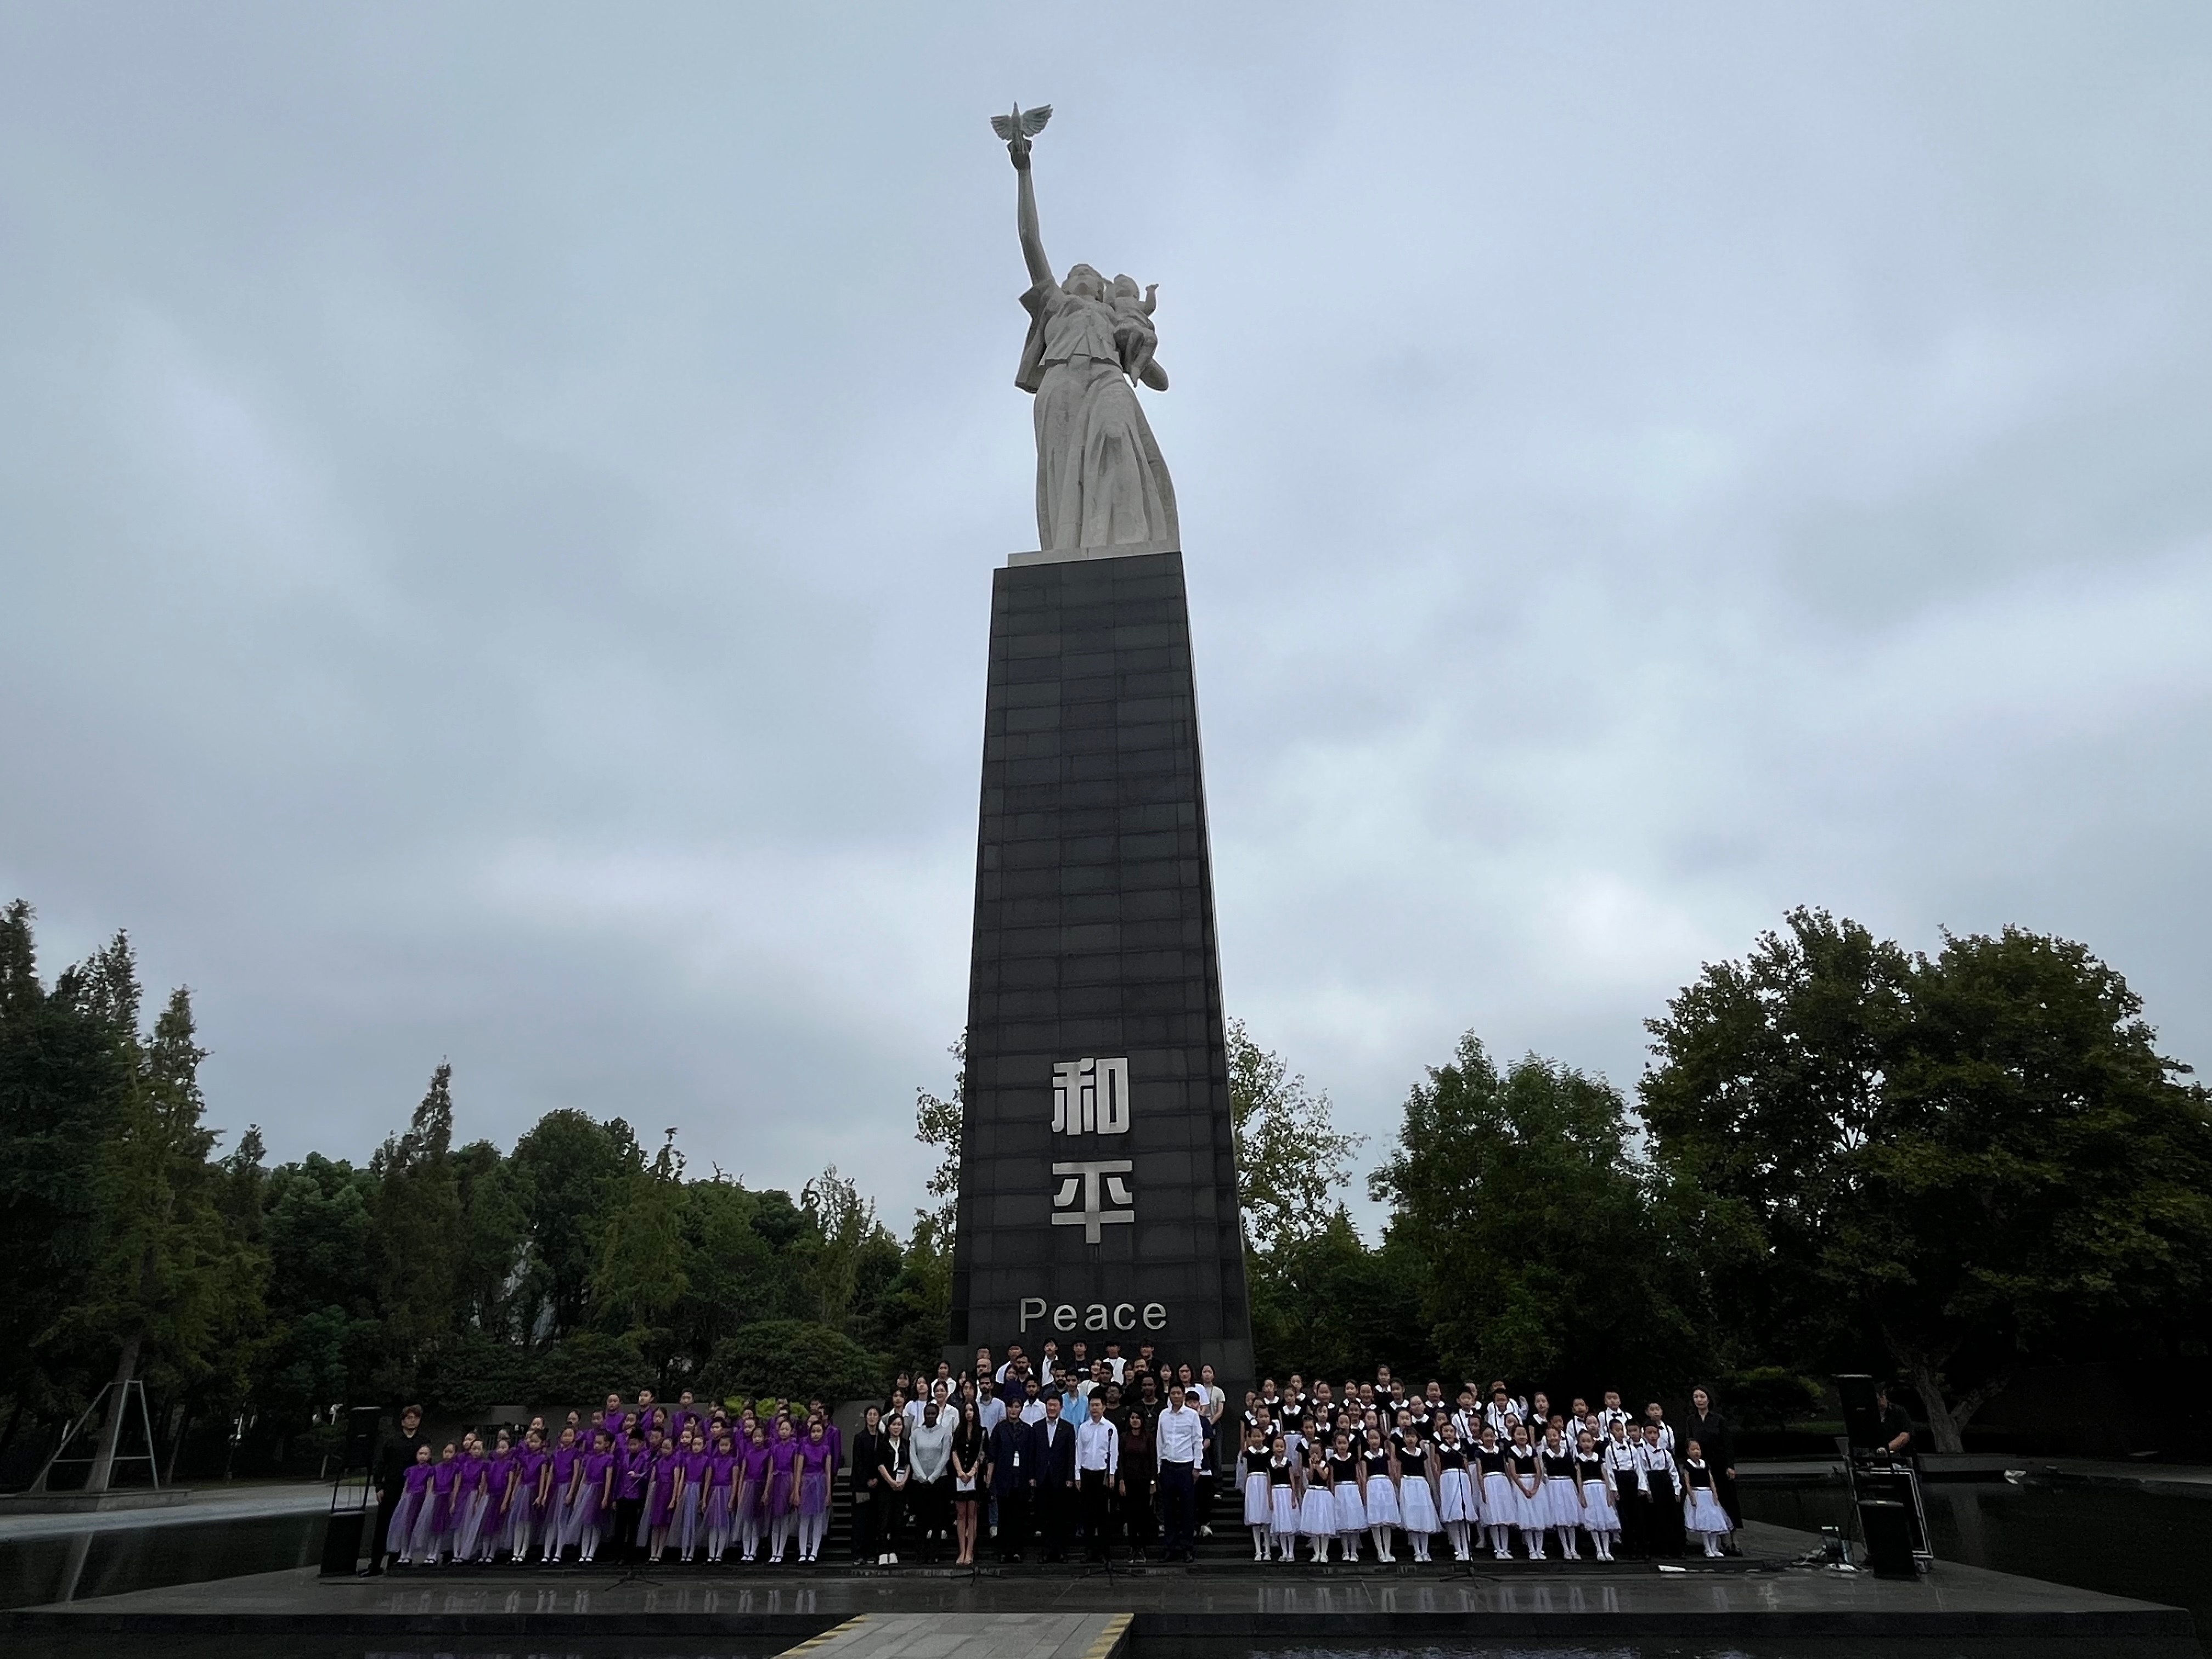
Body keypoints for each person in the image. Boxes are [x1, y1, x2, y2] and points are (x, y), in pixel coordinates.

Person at [369, 1406, 428, 1573]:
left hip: (412, 1489)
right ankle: (375, 1564)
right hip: (392, 1487)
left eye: (415, 1418)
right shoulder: (392, 1441)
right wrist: (379, 1486)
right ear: (403, 1421)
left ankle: (395, 1562)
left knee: (404, 1525)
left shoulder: (423, 1442)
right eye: (409, 1418)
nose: (412, 1421)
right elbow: (380, 1464)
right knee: (383, 1525)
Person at [1686, 1385, 1741, 1551]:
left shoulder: (1718, 1419)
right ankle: (1721, 1540)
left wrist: (1730, 1466)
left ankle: (1735, 1540)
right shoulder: (1691, 1420)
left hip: (1719, 1464)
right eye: (1696, 1397)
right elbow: (1689, 1443)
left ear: (1708, 1399)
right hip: (1701, 1467)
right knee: (1711, 1503)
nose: (1699, 1400)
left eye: (1702, 1397)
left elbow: (1727, 1444)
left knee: (1727, 1500)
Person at [1155, 1382, 1204, 1562]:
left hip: (1186, 1466)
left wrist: (1197, 1466)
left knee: (1187, 1509)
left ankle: (1187, 1548)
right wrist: (1159, 1466)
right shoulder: (1164, 1415)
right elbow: (1160, 1441)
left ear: (1184, 1395)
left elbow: (1197, 1441)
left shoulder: (1192, 1415)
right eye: (1173, 1393)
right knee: (1168, 1509)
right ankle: (1170, 1547)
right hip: (1168, 1465)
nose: (1176, 1396)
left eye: (1179, 1393)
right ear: (1170, 1396)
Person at [985, 1395, 1034, 1562]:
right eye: (1011, 1407)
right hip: (1003, 1478)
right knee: (1004, 1517)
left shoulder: (1027, 1430)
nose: (1014, 1410)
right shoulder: (999, 1429)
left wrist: (1031, 1477)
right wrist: (989, 1478)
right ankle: (1003, 1551)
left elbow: (1031, 1455)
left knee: (1019, 1517)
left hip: (1021, 1479)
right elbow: (992, 1455)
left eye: (1017, 1407)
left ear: (1021, 1409)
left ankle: (1017, 1551)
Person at [1031, 1392, 1078, 1562]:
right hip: (1042, 1477)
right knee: (1044, 1517)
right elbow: (1032, 1453)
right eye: (1049, 1405)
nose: (1052, 1408)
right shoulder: (1037, 1427)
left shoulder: (1068, 1428)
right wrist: (1032, 1476)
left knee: (1060, 1516)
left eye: (1055, 1405)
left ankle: (1060, 1551)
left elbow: (1071, 1455)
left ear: (1061, 1407)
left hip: (1061, 1479)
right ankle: (1046, 1551)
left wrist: (1070, 1477)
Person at [1075, 1392, 1120, 1562]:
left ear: (1104, 1407)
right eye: (1092, 1406)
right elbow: (1079, 1452)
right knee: (1087, 1515)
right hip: (1087, 1473)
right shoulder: (1083, 1428)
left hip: (1103, 1474)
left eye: (1097, 1405)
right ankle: (1089, 1551)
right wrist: (1077, 1475)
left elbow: (1113, 1453)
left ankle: (1103, 1551)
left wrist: (1112, 1474)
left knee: (1102, 1516)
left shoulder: (1110, 1428)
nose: (1094, 1409)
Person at [910, 1399, 954, 1563]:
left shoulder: (944, 1433)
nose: (930, 1416)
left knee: (937, 1520)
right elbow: (913, 1455)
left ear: (937, 1415)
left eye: (933, 1414)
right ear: (924, 1415)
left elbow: (945, 1456)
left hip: (939, 1481)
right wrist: (921, 1477)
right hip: (919, 1482)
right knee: (921, 1520)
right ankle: (920, 1554)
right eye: (928, 1413)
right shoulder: (916, 1433)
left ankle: (933, 1554)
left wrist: (934, 1477)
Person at [1682, 1438, 1733, 1558]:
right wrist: (1692, 1497)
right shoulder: (1688, 1465)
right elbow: (1687, 1482)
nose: (1696, 1452)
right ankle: (1707, 1547)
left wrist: (1715, 1494)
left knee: (1714, 1522)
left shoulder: (1705, 1464)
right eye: (1693, 1449)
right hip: (1697, 1493)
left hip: (1708, 1494)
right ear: (1688, 1451)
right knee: (1704, 1523)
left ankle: (1714, 1547)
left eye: (1698, 1449)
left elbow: (1711, 1480)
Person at [874, 1410, 912, 1565]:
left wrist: (903, 1481)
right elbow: (880, 1464)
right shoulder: (883, 1444)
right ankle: (883, 1551)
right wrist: (891, 1482)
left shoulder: (906, 1444)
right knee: (884, 1520)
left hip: (901, 1487)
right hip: (885, 1486)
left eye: (899, 1425)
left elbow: (908, 1464)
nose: (897, 1427)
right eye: (894, 1425)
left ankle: (895, 1551)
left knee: (898, 1520)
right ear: (889, 1427)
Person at [1119, 1407, 1156, 1561]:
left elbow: (1153, 1460)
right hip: (1128, 1481)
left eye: (1138, 1418)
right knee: (1131, 1515)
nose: (1135, 1420)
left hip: (1145, 1481)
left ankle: (1143, 1548)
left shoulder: (1149, 1437)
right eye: (1132, 1418)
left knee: (1144, 1516)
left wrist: (1153, 1481)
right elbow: (1120, 1460)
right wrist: (1121, 1480)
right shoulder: (1123, 1437)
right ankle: (1133, 1547)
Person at [952, 1400, 987, 1565]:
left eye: (972, 1410)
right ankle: (962, 1550)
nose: (969, 1413)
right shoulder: (958, 1431)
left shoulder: (982, 1432)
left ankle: (970, 1551)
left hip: (975, 1477)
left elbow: (982, 1455)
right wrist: (960, 1472)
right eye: (966, 1411)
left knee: (972, 1515)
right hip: (960, 1476)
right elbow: (954, 1452)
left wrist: (972, 1472)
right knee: (961, 1515)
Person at [1576, 1428, 1619, 1561]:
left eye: (1589, 1441)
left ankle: (1607, 1550)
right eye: (1584, 1441)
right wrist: (1581, 1495)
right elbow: (1579, 1478)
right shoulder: (1579, 1460)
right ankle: (1599, 1549)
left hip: (1600, 1489)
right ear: (1579, 1444)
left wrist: (1609, 1493)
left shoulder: (1599, 1459)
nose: (1587, 1444)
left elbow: (1605, 1477)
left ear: (1593, 1442)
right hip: (1588, 1489)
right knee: (1594, 1521)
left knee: (1604, 1522)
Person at [1539, 1425, 1581, 1560]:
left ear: (1560, 1437)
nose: (1553, 1438)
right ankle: (1565, 1549)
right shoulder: (1545, 1455)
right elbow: (1543, 1472)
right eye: (1550, 1436)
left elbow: (1573, 1471)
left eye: (1555, 1435)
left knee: (1571, 1518)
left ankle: (1574, 1548)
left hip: (1567, 1485)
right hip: (1554, 1485)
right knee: (1560, 1519)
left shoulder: (1567, 1454)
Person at [849, 1405, 884, 1564]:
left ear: (879, 1418)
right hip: (861, 1486)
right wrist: (866, 1480)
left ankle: (871, 1553)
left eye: (875, 1414)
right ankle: (858, 1553)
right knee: (860, 1521)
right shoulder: (859, 1437)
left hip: (878, 1484)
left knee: (873, 1521)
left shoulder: (882, 1438)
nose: (872, 1417)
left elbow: (884, 1461)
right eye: (869, 1414)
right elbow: (857, 1462)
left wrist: (877, 1478)